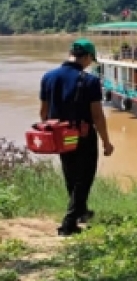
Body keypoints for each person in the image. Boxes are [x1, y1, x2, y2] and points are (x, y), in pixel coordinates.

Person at [39, 39, 114, 236]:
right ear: (87, 57)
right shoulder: (89, 81)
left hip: (61, 135)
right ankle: (69, 223)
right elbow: (97, 115)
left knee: (71, 173)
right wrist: (106, 142)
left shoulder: (48, 77)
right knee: (85, 177)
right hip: (83, 135)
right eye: (91, 60)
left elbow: (43, 112)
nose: (90, 63)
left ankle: (81, 211)